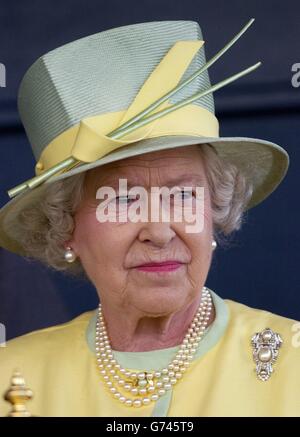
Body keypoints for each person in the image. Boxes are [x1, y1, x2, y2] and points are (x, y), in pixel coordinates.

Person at [0, 20, 299, 417]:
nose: (159, 231)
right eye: (123, 199)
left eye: (182, 195)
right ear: (65, 228)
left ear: (213, 211)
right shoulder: (11, 375)